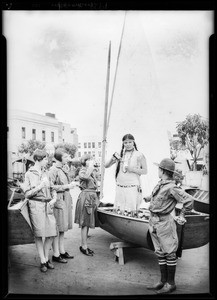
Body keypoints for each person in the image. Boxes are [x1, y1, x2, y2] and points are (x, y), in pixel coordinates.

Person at [144, 158, 195, 294]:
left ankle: (170, 283)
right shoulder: (160, 184)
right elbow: (160, 198)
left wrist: (182, 215)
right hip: (154, 222)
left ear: (162, 171)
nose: (158, 171)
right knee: (160, 252)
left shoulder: (171, 187)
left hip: (165, 222)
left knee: (169, 253)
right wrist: (149, 198)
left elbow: (189, 200)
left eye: (159, 169)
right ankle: (162, 281)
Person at [22, 149, 58, 273]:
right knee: (39, 234)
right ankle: (43, 260)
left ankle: (46, 257)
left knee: (52, 233)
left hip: (47, 205)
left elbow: (52, 187)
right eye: (45, 159)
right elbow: (27, 194)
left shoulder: (46, 172)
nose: (47, 161)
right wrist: (40, 186)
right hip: (36, 206)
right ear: (38, 160)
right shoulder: (29, 174)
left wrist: (54, 197)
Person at [105, 133, 147, 213]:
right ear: (123, 143)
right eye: (125, 142)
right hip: (120, 187)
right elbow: (106, 166)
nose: (128, 144)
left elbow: (145, 171)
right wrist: (112, 158)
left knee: (131, 211)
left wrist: (133, 169)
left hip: (132, 188)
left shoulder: (139, 155)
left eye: (130, 142)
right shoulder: (120, 154)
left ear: (134, 142)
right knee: (120, 211)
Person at [49, 148, 77, 263]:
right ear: (59, 158)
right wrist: (67, 186)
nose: (67, 158)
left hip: (64, 200)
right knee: (57, 228)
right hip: (58, 201)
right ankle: (56, 254)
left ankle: (61, 251)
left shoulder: (63, 168)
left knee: (62, 228)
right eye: (65, 157)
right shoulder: (53, 170)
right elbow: (50, 187)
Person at [74, 154, 99, 256]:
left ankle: (84, 245)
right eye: (90, 160)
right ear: (85, 161)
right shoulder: (83, 170)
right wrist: (90, 168)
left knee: (87, 222)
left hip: (91, 197)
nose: (92, 161)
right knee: (84, 223)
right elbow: (84, 177)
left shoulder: (91, 171)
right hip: (86, 197)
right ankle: (84, 246)